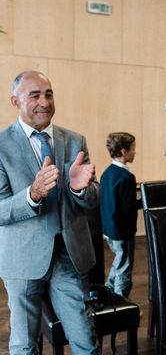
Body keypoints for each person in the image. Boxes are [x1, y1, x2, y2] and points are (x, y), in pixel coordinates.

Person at [0, 70, 99, 353]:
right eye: (35, 95)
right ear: (15, 101)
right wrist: (32, 195)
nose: (44, 102)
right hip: (22, 261)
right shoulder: (1, 145)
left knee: (85, 341)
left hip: (69, 255)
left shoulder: (75, 140)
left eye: (49, 94)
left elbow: (93, 198)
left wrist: (81, 189)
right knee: (24, 344)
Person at [99, 131, 138, 298]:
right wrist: (146, 201)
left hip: (109, 230)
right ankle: (121, 304)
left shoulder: (106, 173)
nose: (135, 152)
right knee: (124, 268)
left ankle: (108, 294)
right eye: (133, 149)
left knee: (118, 262)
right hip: (123, 232)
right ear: (124, 151)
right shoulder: (127, 177)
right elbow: (128, 208)